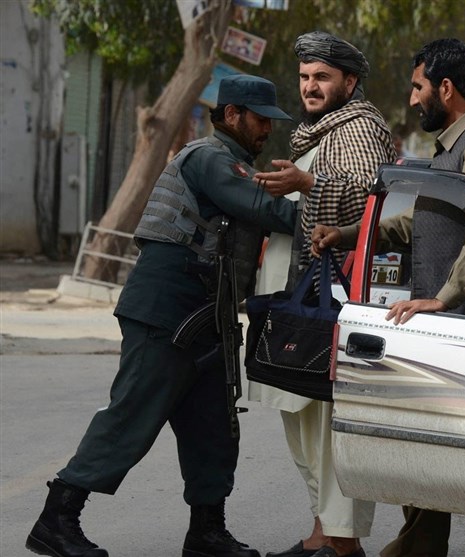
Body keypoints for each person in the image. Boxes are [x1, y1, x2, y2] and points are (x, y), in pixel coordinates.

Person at [26, 74, 297, 557]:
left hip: (204, 316)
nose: (266, 131)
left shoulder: (233, 161)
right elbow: (269, 211)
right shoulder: (212, 159)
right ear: (231, 114)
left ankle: (207, 533)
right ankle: (57, 519)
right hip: (166, 309)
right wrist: (335, 213)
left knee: (214, 426)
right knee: (131, 417)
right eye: (259, 119)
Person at [310, 38, 465, 556]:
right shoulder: (452, 149)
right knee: (436, 479)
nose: (413, 100)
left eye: (418, 87)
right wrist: (349, 234)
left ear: (446, 88)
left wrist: (445, 296)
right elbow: (423, 222)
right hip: (450, 336)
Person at [248, 31, 395, 557]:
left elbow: (369, 198)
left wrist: (307, 187)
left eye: (322, 78)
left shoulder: (359, 128)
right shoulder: (316, 133)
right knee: (299, 413)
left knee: (327, 421)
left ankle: (340, 542)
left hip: (328, 297)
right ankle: (321, 532)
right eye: (306, 77)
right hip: (297, 293)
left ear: (348, 82)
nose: (310, 87)